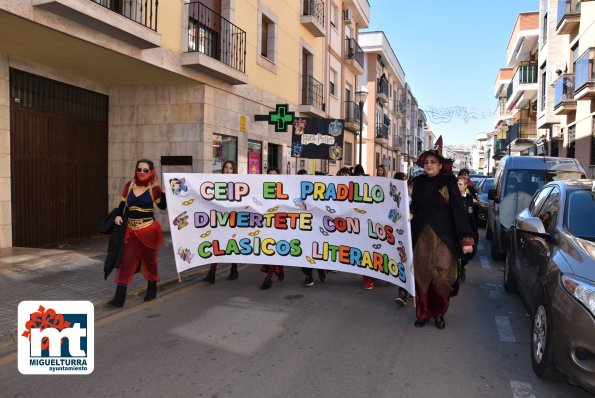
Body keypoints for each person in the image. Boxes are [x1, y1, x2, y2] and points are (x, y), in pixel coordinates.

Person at [410, 149, 475, 329]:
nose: (429, 165)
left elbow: (459, 212)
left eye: (432, 162)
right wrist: (411, 213)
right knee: (422, 274)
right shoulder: (419, 183)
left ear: (440, 165)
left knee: (442, 275)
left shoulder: (449, 183)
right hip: (422, 237)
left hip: (444, 238)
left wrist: (466, 239)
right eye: (426, 162)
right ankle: (423, 312)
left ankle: (439, 312)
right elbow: (414, 206)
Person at [108, 159, 167, 308]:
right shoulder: (129, 186)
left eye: (145, 170)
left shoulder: (154, 188)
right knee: (126, 262)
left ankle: (151, 290)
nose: (141, 172)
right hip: (131, 231)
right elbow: (122, 206)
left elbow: (162, 206)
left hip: (148, 230)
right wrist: (118, 215)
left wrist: (164, 194)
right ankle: (119, 298)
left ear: (151, 171)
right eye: (139, 169)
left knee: (150, 261)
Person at [202, 160, 240, 283]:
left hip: (233, 219)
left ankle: (234, 269)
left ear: (234, 170)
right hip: (219, 219)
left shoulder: (239, 184)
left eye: (230, 168)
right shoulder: (216, 183)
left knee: (232, 244)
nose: (227, 170)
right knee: (216, 244)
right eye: (225, 168)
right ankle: (212, 273)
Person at [298, 168, 327, 286]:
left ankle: (318, 270)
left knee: (314, 250)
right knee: (303, 251)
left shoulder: (315, 190)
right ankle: (308, 275)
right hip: (300, 226)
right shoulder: (293, 190)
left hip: (314, 226)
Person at [259, 167, 285, 289]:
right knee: (269, 251)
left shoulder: (284, 189)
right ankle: (277, 271)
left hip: (279, 226)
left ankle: (269, 278)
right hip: (266, 225)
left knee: (274, 251)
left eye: (274, 174)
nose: (272, 176)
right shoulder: (261, 189)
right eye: (270, 174)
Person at [456, 176, 479, 283]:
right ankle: (457, 268)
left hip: (468, 229)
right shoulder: (453, 198)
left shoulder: (470, 199)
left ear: (465, 186)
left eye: (460, 184)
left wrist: (474, 231)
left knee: (469, 252)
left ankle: (462, 265)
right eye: (457, 184)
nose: (458, 186)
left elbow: (473, 216)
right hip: (456, 228)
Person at [393, 171, 409, 306]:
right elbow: (392, 218)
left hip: (419, 241)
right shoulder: (398, 201)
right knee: (403, 265)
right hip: (402, 240)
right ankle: (402, 294)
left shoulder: (421, 203)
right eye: (410, 187)